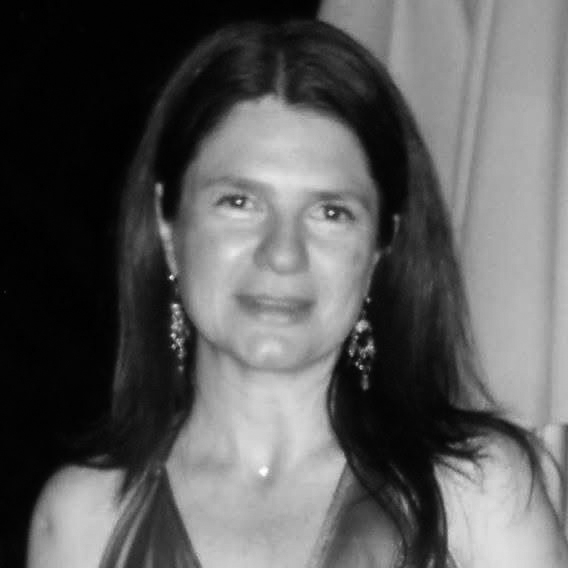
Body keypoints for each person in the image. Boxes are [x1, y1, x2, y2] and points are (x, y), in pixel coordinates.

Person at [26, 20, 568, 568]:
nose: (283, 253)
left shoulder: (478, 494)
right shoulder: (82, 519)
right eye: (239, 202)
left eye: (330, 212)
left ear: (381, 248)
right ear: (169, 231)